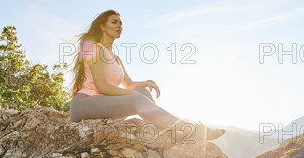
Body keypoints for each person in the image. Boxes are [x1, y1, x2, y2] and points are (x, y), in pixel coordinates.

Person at [68, 9, 225, 142]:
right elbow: (103, 87)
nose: (119, 26)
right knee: (137, 97)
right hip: (84, 104)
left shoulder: (116, 58)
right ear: (102, 26)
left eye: (121, 23)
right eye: (114, 22)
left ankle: (172, 132)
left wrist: (145, 83)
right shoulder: (95, 49)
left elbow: (128, 85)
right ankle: (190, 130)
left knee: (142, 92)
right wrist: (135, 96)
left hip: (102, 104)